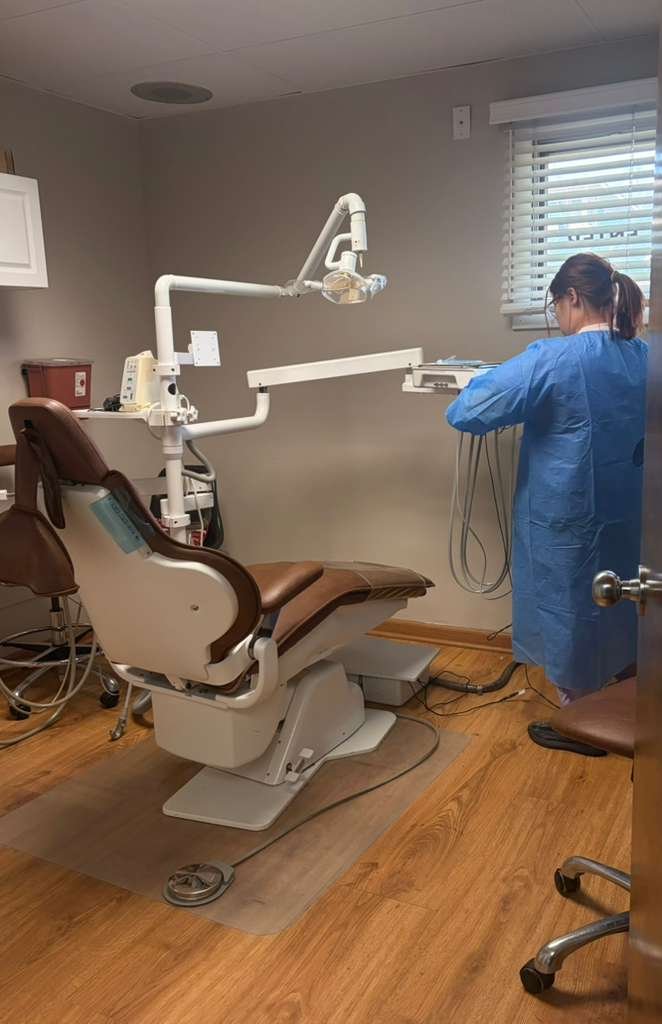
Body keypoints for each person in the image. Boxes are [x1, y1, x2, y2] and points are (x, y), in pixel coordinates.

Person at [446, 253, 647, 753]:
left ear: (572, 297)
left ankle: (582, 719)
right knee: (624, 600)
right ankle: (629, 700)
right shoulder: (643, 355)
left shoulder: (552, 359)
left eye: (556, 305)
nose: (557, 316)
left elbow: (467, 412)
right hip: (632, 516)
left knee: (571, 608)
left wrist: (482, 380)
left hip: (568, 519)